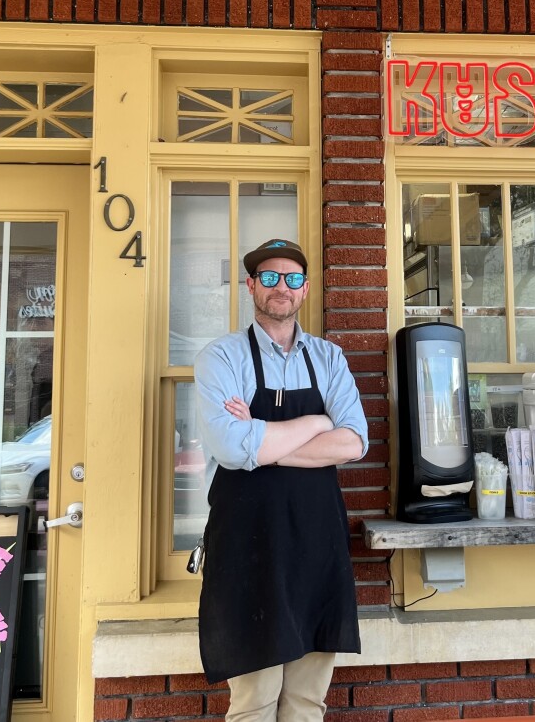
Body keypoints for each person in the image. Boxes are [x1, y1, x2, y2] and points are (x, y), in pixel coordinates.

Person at [194, 238, 368, 722]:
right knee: (255, 700)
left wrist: (263, 442)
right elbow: (231, 448)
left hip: (317, 543)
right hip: (249, 546)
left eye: (292, 278)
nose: (281, 287)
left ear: (305, 289)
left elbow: (354, 443)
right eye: (269, 277)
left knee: (308, 701)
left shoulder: (330, 358)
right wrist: (316, 423)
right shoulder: (221, 358)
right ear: (251, 285)